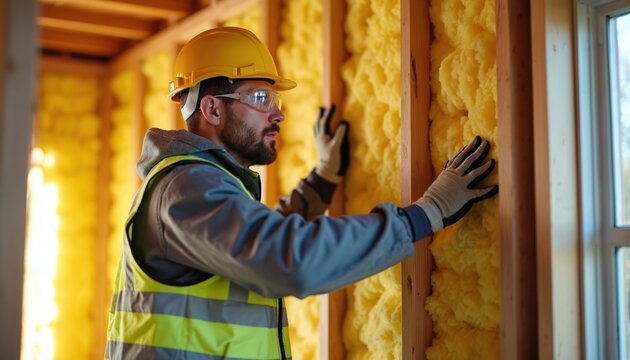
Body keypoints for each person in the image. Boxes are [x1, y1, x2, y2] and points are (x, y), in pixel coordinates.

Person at [105, 27, 498, 359]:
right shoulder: (185, 187)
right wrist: (426, 214)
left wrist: (324, 178)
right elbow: (289, 259)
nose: (278, 113)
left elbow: (261, 240)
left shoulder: (195, 184)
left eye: (276, 99)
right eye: (260, 98)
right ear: (211, 109)